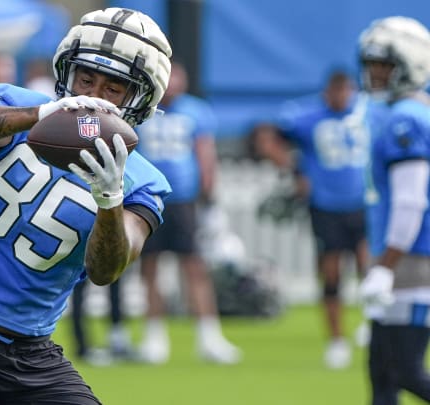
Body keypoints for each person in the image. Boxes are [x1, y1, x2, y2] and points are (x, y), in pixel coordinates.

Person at [0, 8, 172, 404]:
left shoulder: (142, 182)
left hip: (31, 353)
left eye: (113, 88)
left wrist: (109, 200)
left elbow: (105, 270)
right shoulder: (19, 105)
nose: (93, 96)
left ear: (140, 100)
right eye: (86, 78)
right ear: (67, 73)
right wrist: (39, 116)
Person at [252, 69, 383, 369]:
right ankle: (336, 340)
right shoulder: (308, 116)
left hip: (362, 202)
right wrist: (295, 172)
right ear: (328, 92)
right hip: (326, 205)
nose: (341, 97)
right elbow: (267, 136)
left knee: (368, 267)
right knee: (332, 272)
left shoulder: (367, 112)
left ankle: (371, 325)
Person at [134, 60, 242, 365]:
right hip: (148, 197)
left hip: (183, 201)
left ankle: (209, 336)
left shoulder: (195, 110)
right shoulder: (141, 109)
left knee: (194, 266)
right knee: (151, 267)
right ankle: (154, 337)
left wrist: (209, 197)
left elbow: (205, 154)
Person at [357, 16, 430, 404]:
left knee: (405, 371)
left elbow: (411, 200)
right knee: (382, 373)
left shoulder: (406, 119)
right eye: (371, 65)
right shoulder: (406, 111)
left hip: (410, 260)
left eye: (384, 66)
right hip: (399, 257)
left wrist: (385, 265)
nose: (376, 74)